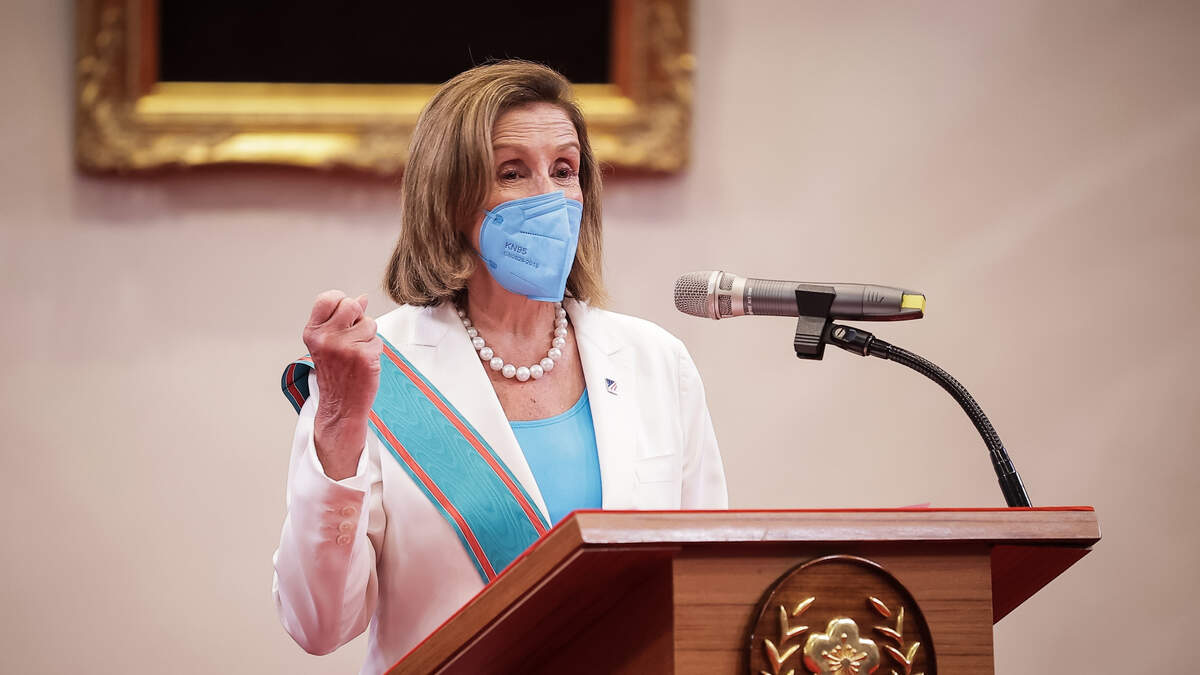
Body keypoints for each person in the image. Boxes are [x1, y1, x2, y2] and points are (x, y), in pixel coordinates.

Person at [272, 60, 727, 674]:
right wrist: (337, 421)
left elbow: (705, 589)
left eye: (564, 170)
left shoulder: (655, 362)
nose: (549, 196)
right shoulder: (379, 372)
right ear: (450, 200)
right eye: (512, 172)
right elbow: (319, 625)